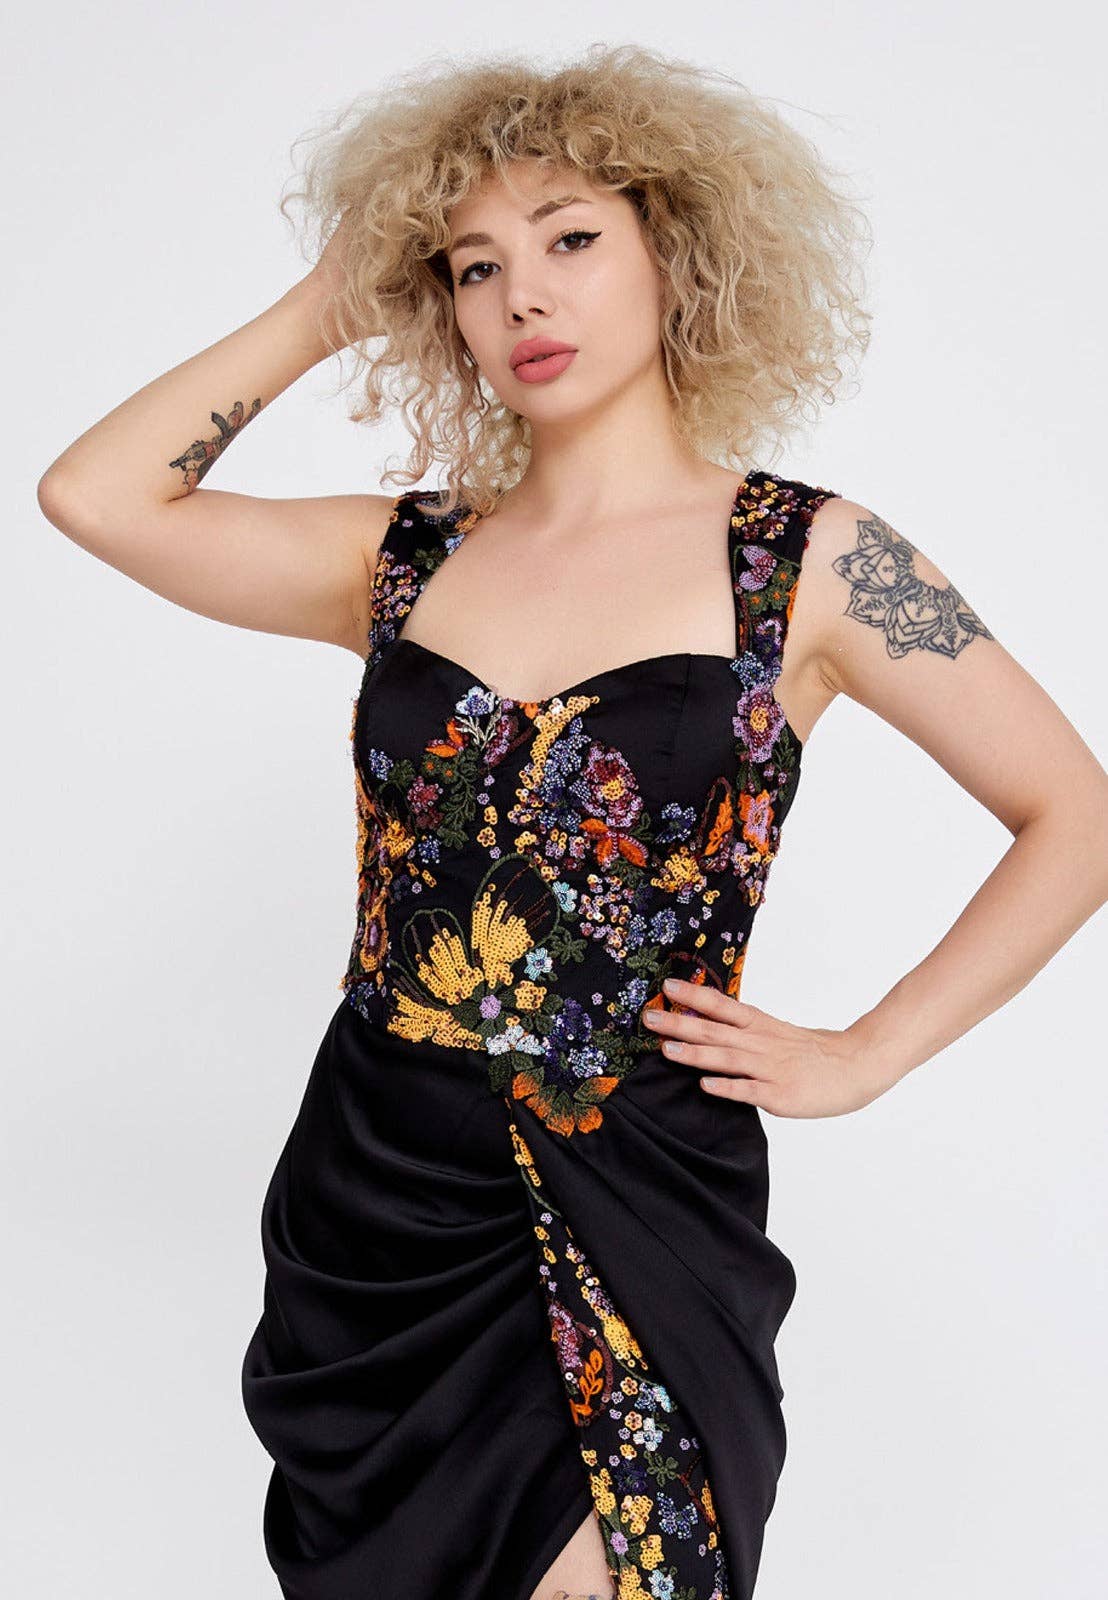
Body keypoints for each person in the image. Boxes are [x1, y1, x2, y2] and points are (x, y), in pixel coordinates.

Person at [36, 41, 1108, 1600]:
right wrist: (331, 300)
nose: (522, 297)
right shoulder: (399, 559)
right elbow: (98, 496)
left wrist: (869, 1050)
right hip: (378, 1207)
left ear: (680, 251)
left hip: (635, 1199)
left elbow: (1075, 812)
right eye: (473, 267)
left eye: (572, 239)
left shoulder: (818, 562)